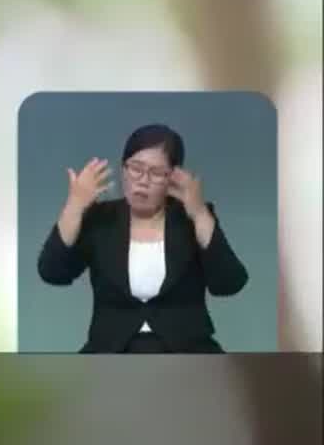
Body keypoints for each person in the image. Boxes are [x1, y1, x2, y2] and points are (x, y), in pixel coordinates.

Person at [37, 124, 248, 352]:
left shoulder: (191, 218)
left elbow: (229, 283)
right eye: (136, 168)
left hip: (187, 349)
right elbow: (52, 272)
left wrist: (199, 214)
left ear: (173, 177)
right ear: (123, 170)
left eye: (157, 173)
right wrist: (75, 205)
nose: (143, 180)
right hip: (110, 350)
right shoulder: (101, 220)